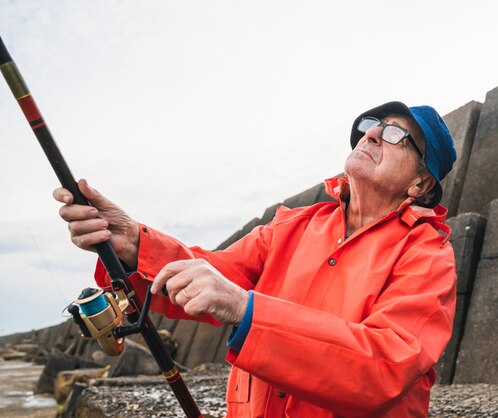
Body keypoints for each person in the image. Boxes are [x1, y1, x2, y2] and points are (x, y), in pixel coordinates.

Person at [54, 101, 457, 417]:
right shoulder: (290, 226)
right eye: (370, 125)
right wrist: (132, 246)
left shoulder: (427, 254)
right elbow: (211, 275)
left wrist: (245, 307)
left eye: (393, 133)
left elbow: (385, 365)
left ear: (421, 182)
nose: (371, 134)